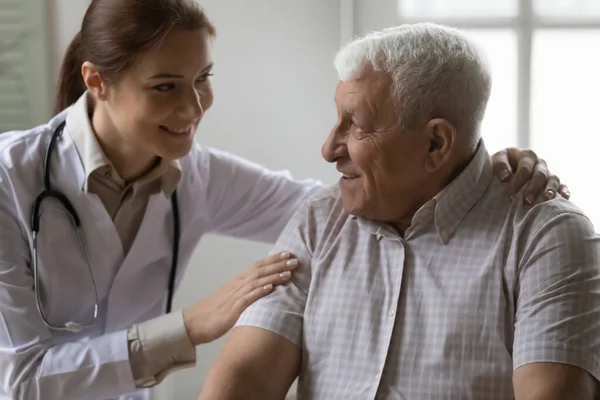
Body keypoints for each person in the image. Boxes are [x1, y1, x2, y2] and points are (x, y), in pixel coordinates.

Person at [0, 1, 567, 399]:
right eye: (166, 86)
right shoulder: (10, 179)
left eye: (204, 78)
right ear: (96, 81)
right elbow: (19, 381)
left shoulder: (199, 177)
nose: (196, 107)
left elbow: (356, 200)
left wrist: (473, 167)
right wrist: (191, 325)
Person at [199, 23, 600, 400]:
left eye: (354, 125)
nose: (328, 148)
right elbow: (245, 375)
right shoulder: (319, 219)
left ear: (436, 144)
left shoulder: (546, 235)